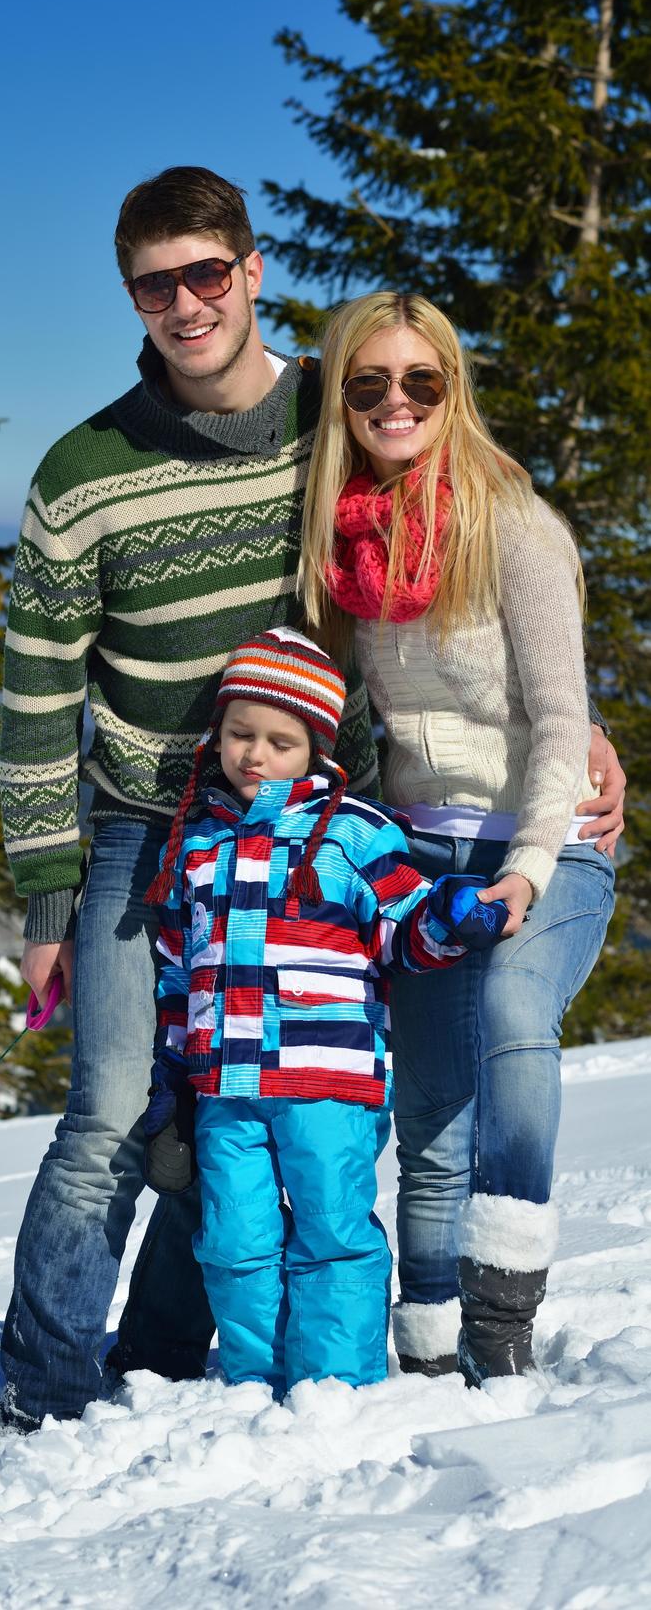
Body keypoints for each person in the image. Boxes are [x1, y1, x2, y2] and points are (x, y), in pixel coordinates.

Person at [0, 169, 623, 1430]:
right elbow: (31, 691)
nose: (185, 304)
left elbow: (450, 548)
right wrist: (47, 892)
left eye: (206, 274)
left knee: (255, 1089)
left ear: (252, 270)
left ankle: (179, 1349)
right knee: (120, 1106)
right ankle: (44, 1391)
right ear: (131, 293)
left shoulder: (326, 414)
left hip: (306, 834)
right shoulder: (84, 470)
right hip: (142, 829)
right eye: (155, 284)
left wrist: (582, 727)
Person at [299, 290, 618, 1384]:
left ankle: (503, 1313)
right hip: (420, 851)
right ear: (342, 399)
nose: (397, 402)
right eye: (370, 383)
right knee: (429, 1103)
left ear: (453, 390)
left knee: (511, 1006)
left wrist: (531, 864)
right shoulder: (343, 544)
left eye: (421, 382)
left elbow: (561, 717)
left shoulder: (514, 524)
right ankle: (428, 1338)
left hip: (552, 834)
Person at [140, 626, 496, 1392]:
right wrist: (172, 1075)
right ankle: (253, 1382)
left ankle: (339, 1385)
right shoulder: (196, 846)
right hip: (226, 1089)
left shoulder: (354, 834)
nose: (254, 755)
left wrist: (450, 917)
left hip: (329, 1083)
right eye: (240, 734)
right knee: (234, 1239)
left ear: (318, 749)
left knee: (333, 1231)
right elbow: (178, 971)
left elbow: (403, 932)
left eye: (279, 741)